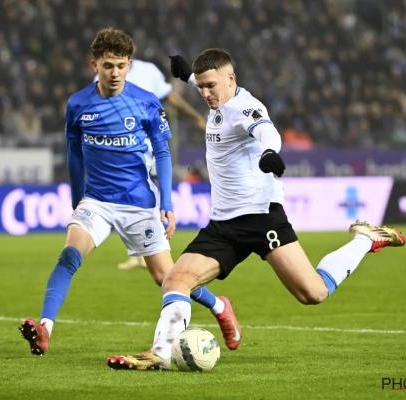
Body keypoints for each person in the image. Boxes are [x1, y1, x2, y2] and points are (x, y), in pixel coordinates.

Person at [106, 49, 406, 370]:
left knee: (313, 293)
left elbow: (266, 130)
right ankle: (160, 353)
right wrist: (188, 77)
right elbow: (207, 82)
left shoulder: (245, 107)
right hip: (223, 224)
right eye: (201, 86)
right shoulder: (218, 96)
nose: (205, 93)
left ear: (231, 79)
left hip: (261, 218)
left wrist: (269, 153)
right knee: (175, 280)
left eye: (210, 86)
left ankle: (365, 238)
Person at [19, 32, 242, 356]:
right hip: (96, 201)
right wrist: (77, 201)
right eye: (108, 65)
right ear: (94, 65)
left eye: (121, 66)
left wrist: (167, 203)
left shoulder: (145, 101)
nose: (114, 73)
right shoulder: (78, 104)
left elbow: (162, 153)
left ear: (129, 65)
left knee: (166, 277)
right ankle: (44, 329)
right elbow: (74, 154)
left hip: (139, 204)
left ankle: (220, 306)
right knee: (69, 256)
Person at [93, 38, 208, 271]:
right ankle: (141, 252)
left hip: (148, 143)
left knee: (149, 190)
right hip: (119, 146)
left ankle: (155, 248)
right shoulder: (102, 76)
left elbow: (171, 97)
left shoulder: (148, 71)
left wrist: (195, 116)